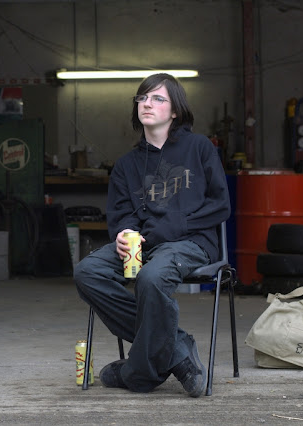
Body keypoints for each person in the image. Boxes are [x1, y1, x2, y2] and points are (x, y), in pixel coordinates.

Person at [74, 73, 230, 397]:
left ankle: (137, 374)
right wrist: (123, 232)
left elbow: (221, 206)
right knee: (88, 272)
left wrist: (176, 225)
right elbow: (121, 215)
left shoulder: (199, 148)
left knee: (152, 277)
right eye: (142, 98)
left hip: (191, 242)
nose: (147, 103)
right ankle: (177, 350)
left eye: (158, 98)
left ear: (175, 111)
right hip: (143, 244)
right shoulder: (126, 165)